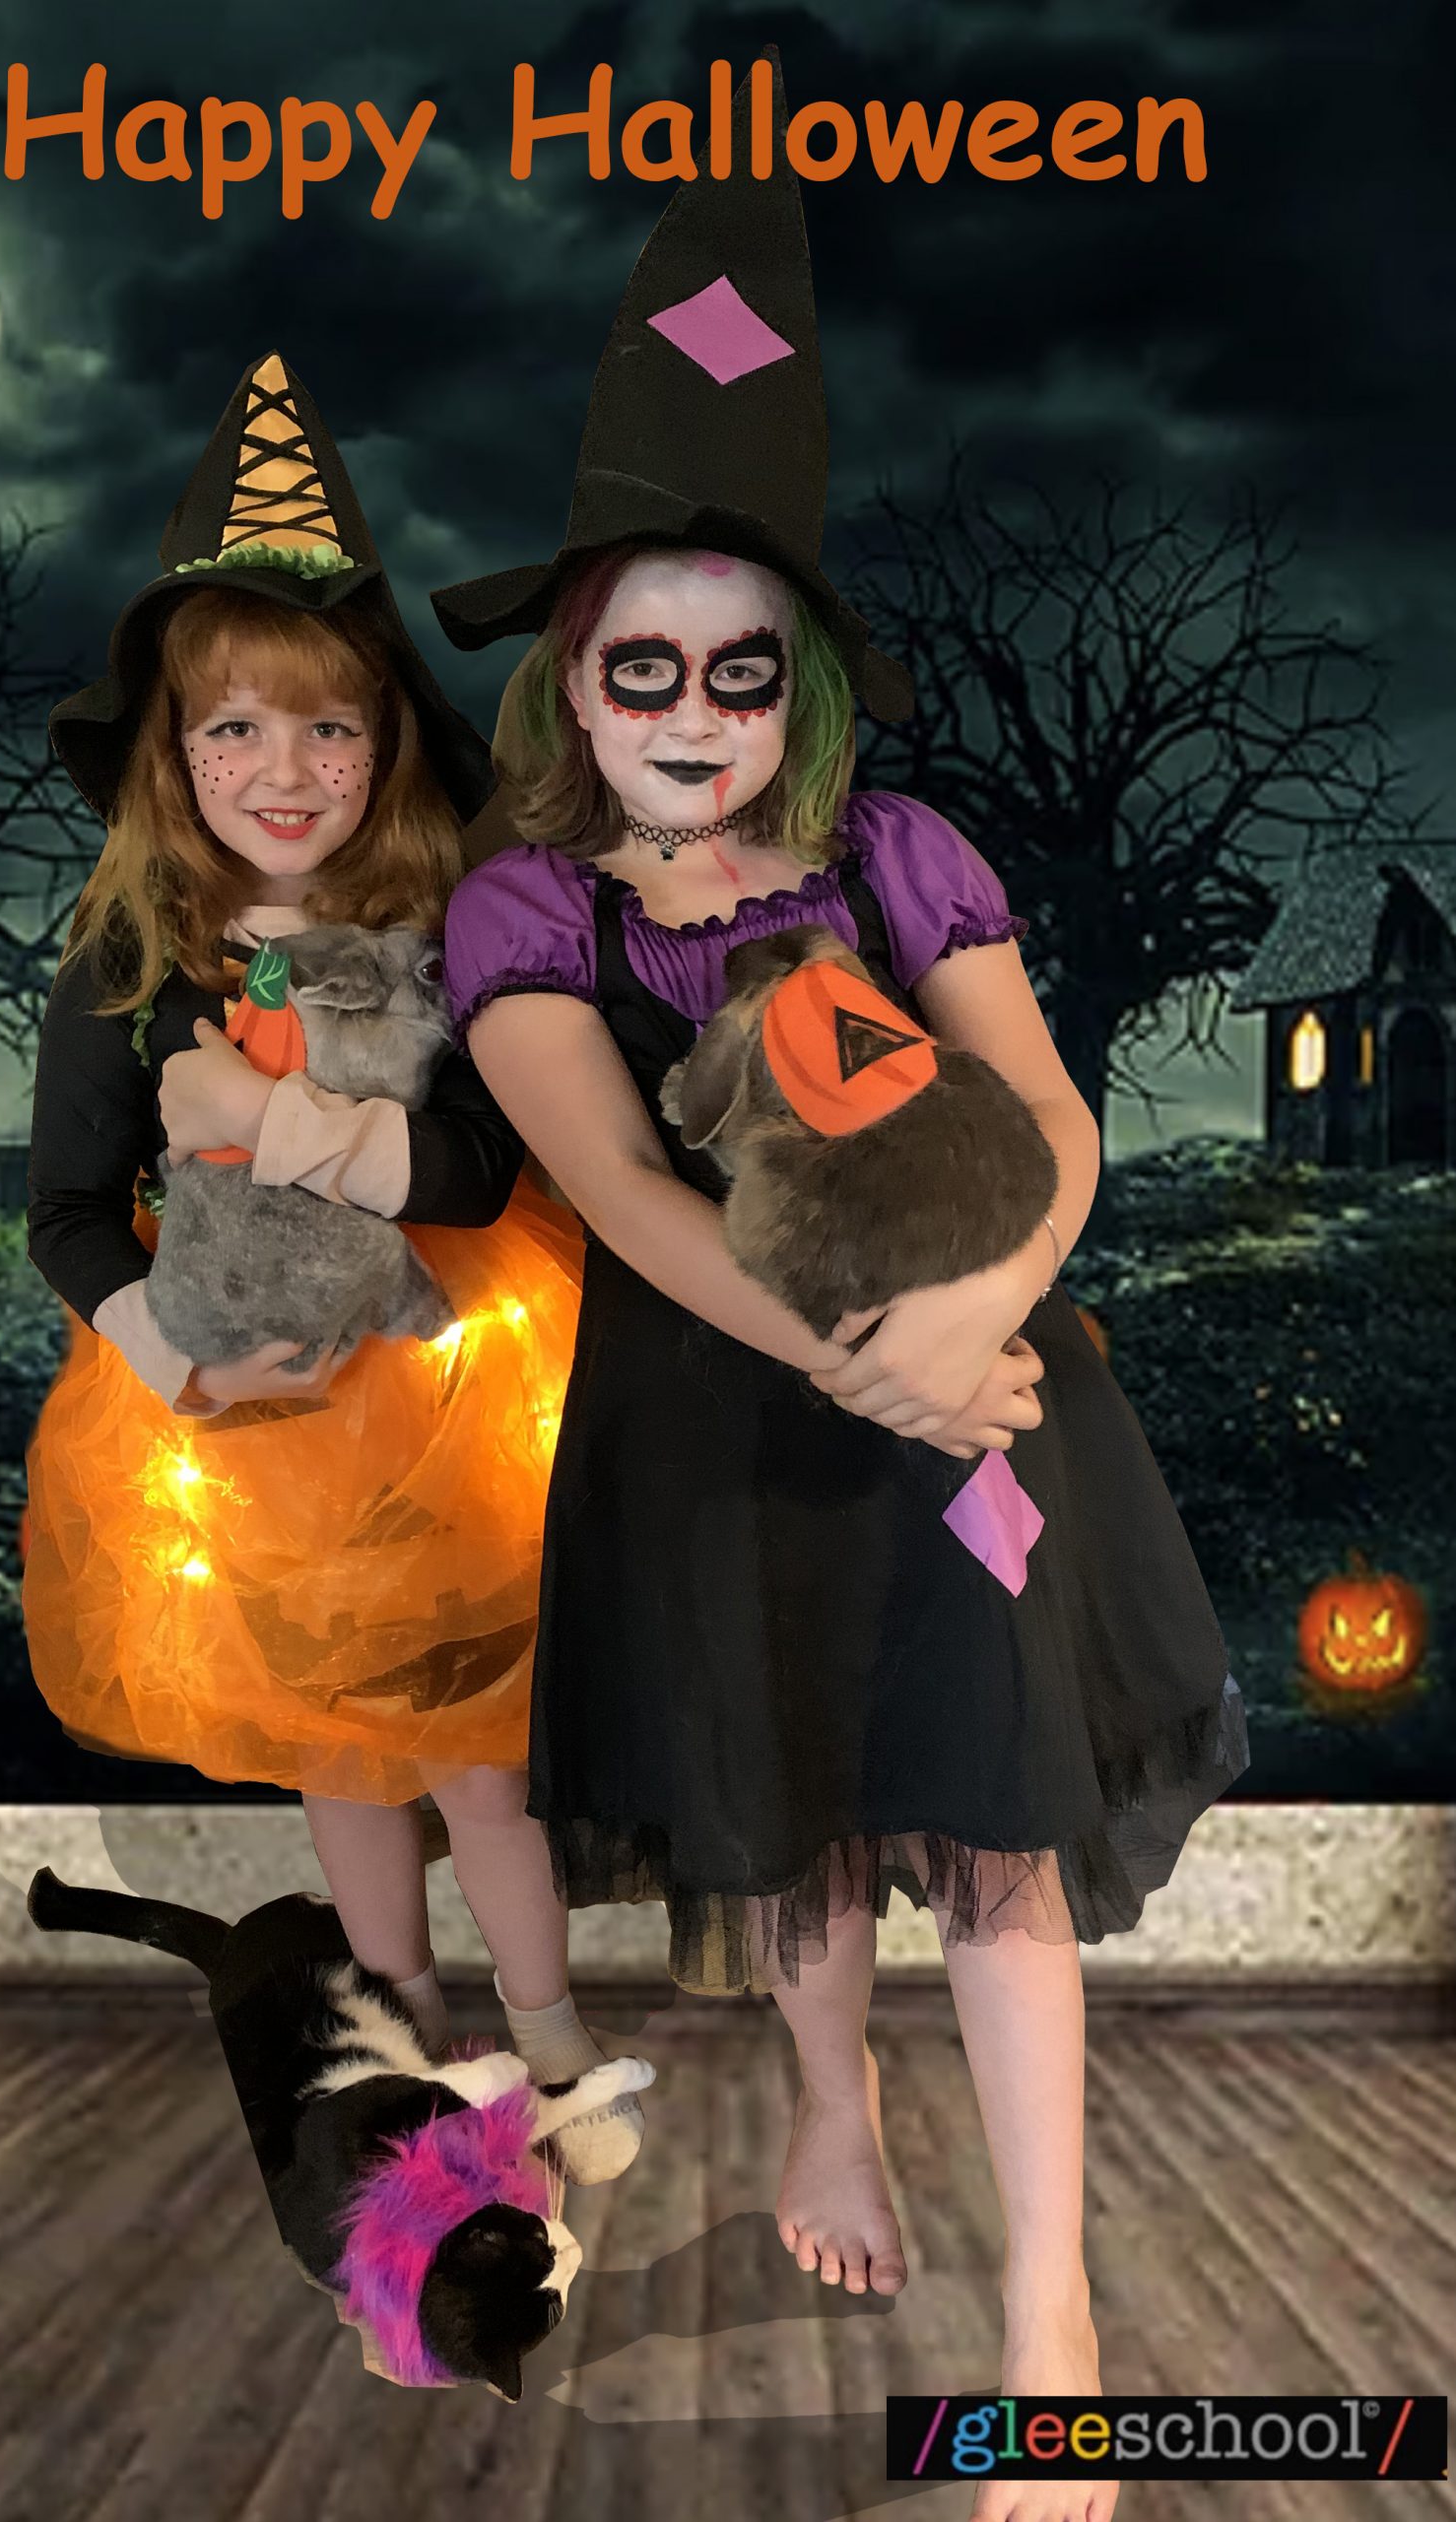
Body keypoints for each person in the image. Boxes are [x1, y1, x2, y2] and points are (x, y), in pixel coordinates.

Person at [431, 69, 1244, 2518]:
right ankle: (827, 2095)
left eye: (740, 671)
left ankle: (1048, 2318)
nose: (691, 715)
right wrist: (843, 1362)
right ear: (567, 685)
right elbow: (616, 1188)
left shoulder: (898, 853)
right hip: (723, 1423)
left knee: (993, 1827)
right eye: (640, 670)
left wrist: (969, 1320)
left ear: (799, 688)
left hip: (980, 1398)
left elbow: (1053, 1117)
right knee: (781, 1812)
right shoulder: (525, 911)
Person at [22, 351, 642, 2177]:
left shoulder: (445, 929)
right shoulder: (131, 960)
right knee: (338, 1749)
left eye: (328, 731)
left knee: (474, 1749)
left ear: (385, 745)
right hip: (247, 1414)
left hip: (452, 1382)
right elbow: (67, 1209)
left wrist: (308, 1130)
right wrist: (177, 1360)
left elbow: (487, 1161)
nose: (283, 774)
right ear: (169, 749)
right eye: (232, 730)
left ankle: (548, 2033)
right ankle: (401, 2029)